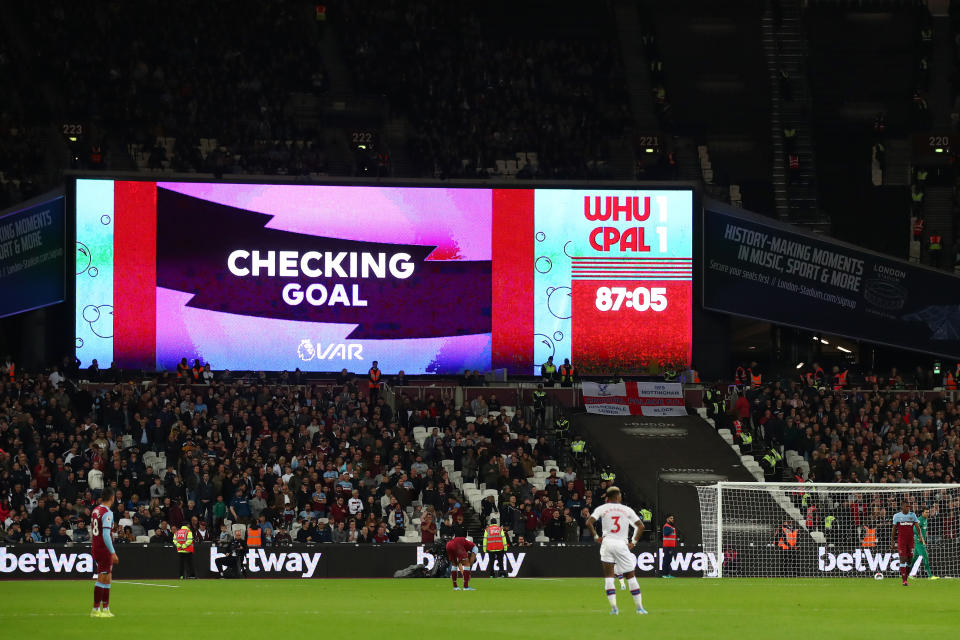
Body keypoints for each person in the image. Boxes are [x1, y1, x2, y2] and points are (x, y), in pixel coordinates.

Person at [584, 486, 648, 615]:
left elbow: (588, 523)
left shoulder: (602, 508)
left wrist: (596, 537)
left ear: (607, 497)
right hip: (621, 543)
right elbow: (641, 526)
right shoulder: (626, 509)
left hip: (607, 543)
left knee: (609, 577)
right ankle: (639, 608)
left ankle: (614, 608)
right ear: (619, 497)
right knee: (630, 576)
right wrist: (633, 542)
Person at [90, 487, 119, 618]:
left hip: (96, 546)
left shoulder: (95, 510)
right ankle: (96, 609)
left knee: (108, 578)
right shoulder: (107, 512)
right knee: (102, 577)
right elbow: (106, 534)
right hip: (104, 549)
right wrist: (112, 552)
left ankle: (106, 608)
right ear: (112, 498)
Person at [891, 502, 925, 586]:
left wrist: (920, 536)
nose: (908, 508)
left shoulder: (912, 515)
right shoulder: (897, 516)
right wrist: (892, 541)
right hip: (901, 541)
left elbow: (917, 526)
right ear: (902, 507)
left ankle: (905, 577)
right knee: (903, 559)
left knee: (910, 560)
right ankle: (904, 580)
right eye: (906, 506)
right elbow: (894, 529)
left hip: (911, 541)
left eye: (909, 506)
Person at [915, 507, 936, 579]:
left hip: (921, 541)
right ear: (922, 513)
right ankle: (930, 575)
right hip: (918, 541)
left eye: (928, 512)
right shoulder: (920, 520)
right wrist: (920, 537)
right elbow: (914, 529)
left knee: (914, 558)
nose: (928, 514)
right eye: (926, 512)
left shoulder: (925, 519)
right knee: (925, 556)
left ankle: (905, 574)